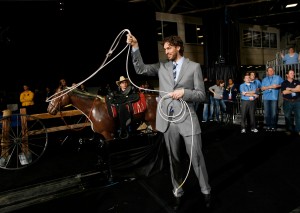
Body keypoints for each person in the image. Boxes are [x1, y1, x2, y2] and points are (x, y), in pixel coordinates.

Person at [126, 34, 211, 210]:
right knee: (174, 160)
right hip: (168, 120)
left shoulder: (194, 67)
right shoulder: (162, 67)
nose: (166, 52)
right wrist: (135, 46)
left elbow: (202, 95)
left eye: (169, 48)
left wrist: (184, 93)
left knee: (196, 157)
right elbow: (140, 69)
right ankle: (177, 192)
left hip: (188, 119)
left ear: (178, 47)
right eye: (164, 49)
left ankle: (205, 191)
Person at [261, 67, 284, 131]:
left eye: (271, 70)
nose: (270, 71)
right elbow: (262, 88)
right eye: (269, 71)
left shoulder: (278, 77)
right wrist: (270, 87)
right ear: (267, 72)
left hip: (274, 97)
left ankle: (273, 126)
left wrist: (277, 86)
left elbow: (283, 84)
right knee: (267, 112)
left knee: (274, 112)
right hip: (266, 97)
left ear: (273, 71)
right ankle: (268, 125)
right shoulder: (264, 79)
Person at [281, 69, 300, 136]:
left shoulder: (297, 81)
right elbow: (284, 92)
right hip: (287, 102)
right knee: (287, 116)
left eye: (293, 73)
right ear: (287, 75)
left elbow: (299, 89)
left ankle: (298, 130)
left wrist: (289, 89)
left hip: (297, 101)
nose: (293, 74)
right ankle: (289, 130)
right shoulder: (284, 83)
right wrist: (295, 90)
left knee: (298, 116)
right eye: (291, 73)